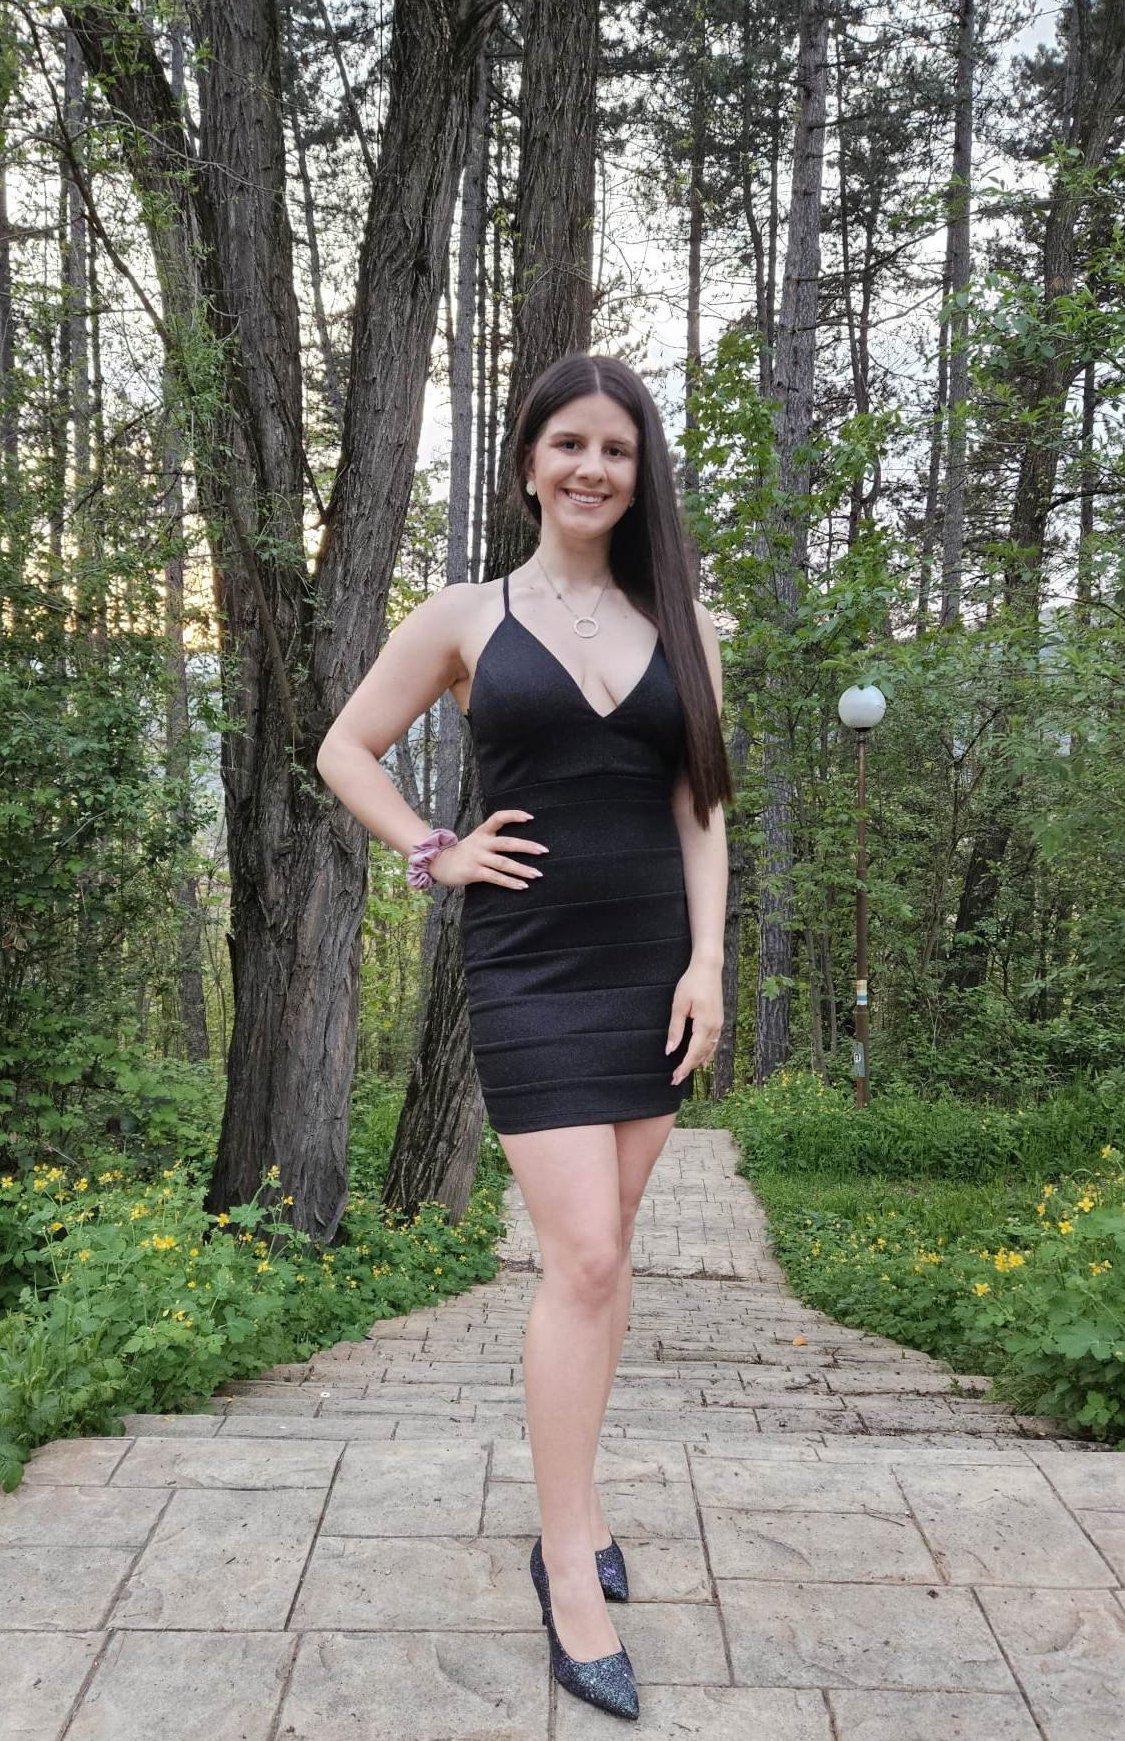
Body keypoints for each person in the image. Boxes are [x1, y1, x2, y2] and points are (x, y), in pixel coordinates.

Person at [316, 352, 732, 1720]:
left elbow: (700, 810)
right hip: (531, 967)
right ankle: (563, 1563)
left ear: (639, 472)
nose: (592, 467)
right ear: (528, 462)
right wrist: (432, 850)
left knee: (603, 1263)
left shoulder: (683, 620)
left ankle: (581, 1501)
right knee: (587, 1254)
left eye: (617, 447)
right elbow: (345, 748)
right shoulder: (464, 617)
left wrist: (708, 963)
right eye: (570, 443)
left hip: (650, 967)